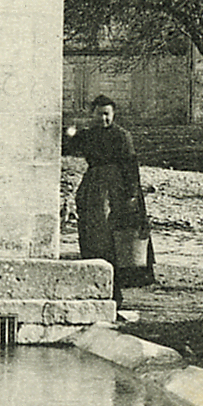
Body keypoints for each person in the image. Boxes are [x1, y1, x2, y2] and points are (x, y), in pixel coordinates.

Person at [71, 95, 154, 300]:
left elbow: (130, 165)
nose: (104, 118)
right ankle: (96, 276)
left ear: (113, 114)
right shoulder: (88, 135)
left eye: (107, 114)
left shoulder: (121, 136)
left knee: (118, 236)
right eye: (99, 114)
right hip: (93, 185)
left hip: (117, 188)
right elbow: (70, 143)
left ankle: (117, 286)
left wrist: (132, 194)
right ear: (92, 114)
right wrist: (72, 130)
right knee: (93, 232)